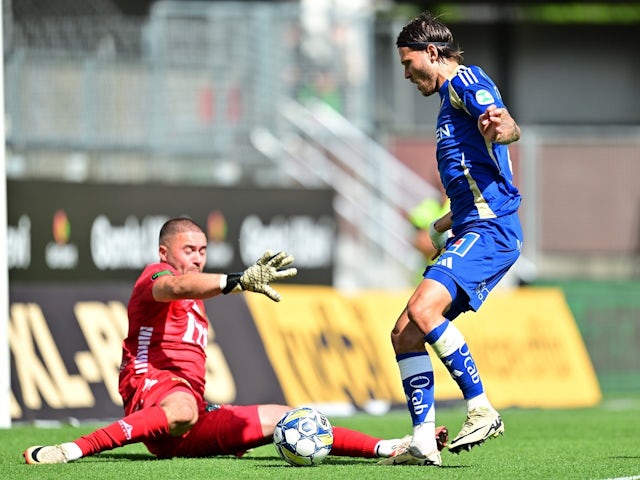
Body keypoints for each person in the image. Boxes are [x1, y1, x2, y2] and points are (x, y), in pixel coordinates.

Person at [24, 217, 447, 464]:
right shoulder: (153, 277)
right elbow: (176, 287)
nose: (197, 256)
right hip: (150, 394)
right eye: (188, 248)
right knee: (184, 406)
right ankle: (73, 449)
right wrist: (237, 281)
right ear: (164, 251)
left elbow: (194, 288)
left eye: (203, 249)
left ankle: (393, 447)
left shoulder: (199, 295)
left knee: (288, 416)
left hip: (187, 413)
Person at [379, 11, 523, 467]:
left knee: (423, 311)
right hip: (471, 226)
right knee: (404, 333)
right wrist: (442, 223)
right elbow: (474, 176)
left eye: (409, 63)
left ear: (433, 54)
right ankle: (423, 438)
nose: (405, 74)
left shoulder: (464, 83)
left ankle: (480, 407)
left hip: (492, 230)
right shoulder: (448, 101)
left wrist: (504, 127)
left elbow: (505, 126)